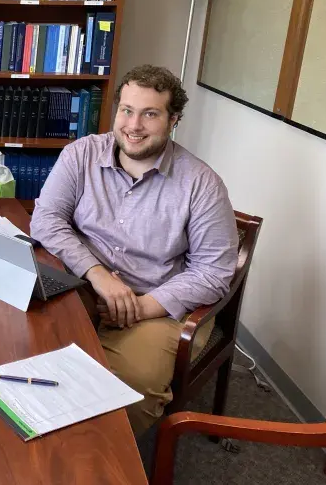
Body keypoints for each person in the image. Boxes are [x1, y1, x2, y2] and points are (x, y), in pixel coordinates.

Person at [30, 65, 239, 436]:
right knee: (25, 342)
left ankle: (97, 466)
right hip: (83, 282)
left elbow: (214, 271)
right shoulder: (81, 154)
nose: (134, 125)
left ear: (174, 120)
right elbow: (46, 220)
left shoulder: (202, 184)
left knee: (128, 389)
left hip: (158, 307)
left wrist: (137, 307)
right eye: (127, 110)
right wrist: (96, 276)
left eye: (150, 114)